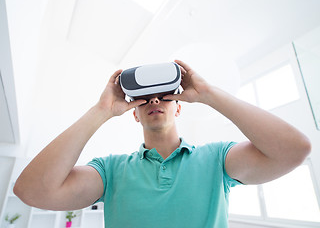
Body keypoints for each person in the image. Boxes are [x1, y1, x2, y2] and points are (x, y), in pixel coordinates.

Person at [14, 60, 311, 228]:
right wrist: (101, 111)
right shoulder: (111, 171)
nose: (154, 100)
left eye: (165, 95)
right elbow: (31, 191)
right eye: (144, 98)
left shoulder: (217, 160)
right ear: (134, 114)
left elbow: (296, 150)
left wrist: (208, 93)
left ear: (179, 107)